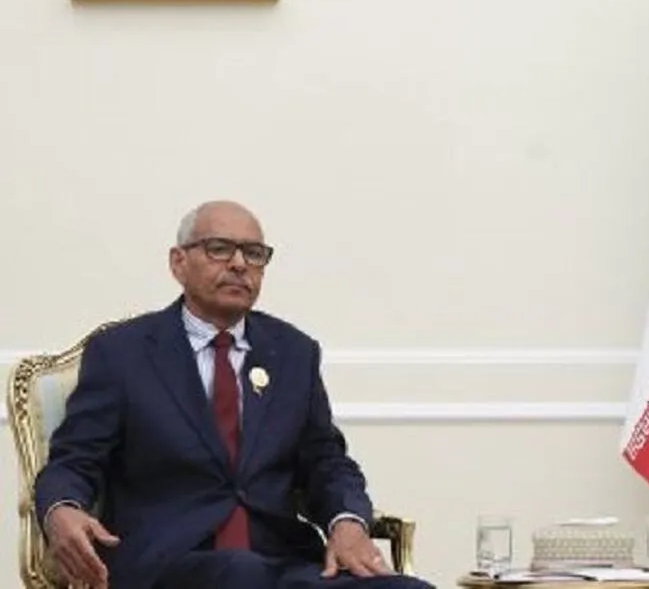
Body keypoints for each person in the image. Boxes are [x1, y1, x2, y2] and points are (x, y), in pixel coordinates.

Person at [34, 201, 434, 589]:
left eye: (254, 254)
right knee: (240, 573)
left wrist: (347, 520)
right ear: (178, 262)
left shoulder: (293, 352)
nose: (239, 264)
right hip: (170, 564)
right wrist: (61, 509)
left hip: (284, 563)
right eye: (219, 248)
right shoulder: (123, 353)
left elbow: (326, 462)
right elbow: (75, 459)